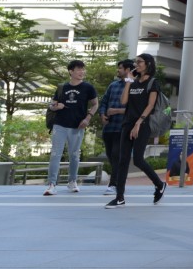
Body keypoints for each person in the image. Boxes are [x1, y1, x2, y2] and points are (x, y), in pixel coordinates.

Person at [105, 53, 167, 208]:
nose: (136, 65)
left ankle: (159, 184)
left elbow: (150, 105)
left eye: (139, 62)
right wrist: (128, 81)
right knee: (122, 160)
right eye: (135, 62)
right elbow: (123, 101)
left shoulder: (153, 83)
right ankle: (120, 197)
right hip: (127, 123)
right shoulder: (132, 82)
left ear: (148, 64)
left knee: (138, 159)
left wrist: (139, 123)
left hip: (143, 124)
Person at [44, 59, 98, 196]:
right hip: (60, 125)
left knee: (74, 155)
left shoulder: (88, 87)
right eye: (79, 69)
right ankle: (51, 184)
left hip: (77, 126)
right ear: (71, 71)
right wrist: (56, 106)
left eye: (83, 69)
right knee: (56, 154)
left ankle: (72, 181)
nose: (82, 72)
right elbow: (51, 105)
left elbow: (95, 104)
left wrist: (88, 118)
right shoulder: (62, 87)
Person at [98, 60, 134, 194]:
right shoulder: (113, 85)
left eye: (120, 68)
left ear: (128, 70)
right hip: (109, 128)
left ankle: (114, 184)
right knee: (110, 155)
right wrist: (102, 114)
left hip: (123, 128)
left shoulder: (134, 86)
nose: (118, 70)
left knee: (116, 155)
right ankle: (118, 181)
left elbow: (135, 110)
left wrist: (117, 111)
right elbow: (104, 102)